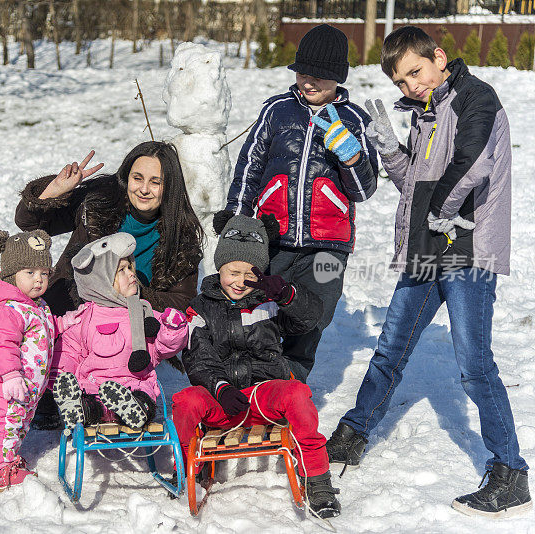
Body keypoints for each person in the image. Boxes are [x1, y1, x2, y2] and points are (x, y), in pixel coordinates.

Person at [327, 26, 530, 517]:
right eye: (400, 82)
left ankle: (511, 474)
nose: (410, 86)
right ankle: (353, 434)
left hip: (467, 249)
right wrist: (390, 149)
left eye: (415, 72)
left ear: (439, 57)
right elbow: (413, 182)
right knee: (390, 348)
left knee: (474, 365)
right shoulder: (427, 112)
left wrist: (441, 205)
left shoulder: (475, 98)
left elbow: (474, 162)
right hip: (426, 246)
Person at [222, 23, 378, 382]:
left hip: (328, 247)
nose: (309, 83)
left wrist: (352, 158)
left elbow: (362, 191)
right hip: (272, 237)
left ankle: (288, 389)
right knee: (259, 310)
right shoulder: (277, 111)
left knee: (315, 315)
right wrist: (237, 220)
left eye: (320, 77)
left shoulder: (355, 121)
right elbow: (250, 166)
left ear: (339, 78)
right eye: (303, 73)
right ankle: (255, 382)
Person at [16, 141, 203, 428]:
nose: (143, 189)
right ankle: (56, 393)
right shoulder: (100, 202)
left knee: (120, 357)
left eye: (156, 182)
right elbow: (29, 223)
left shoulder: (182, 235)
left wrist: (128, 296)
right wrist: (51, 194)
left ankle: (111, 400)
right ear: (126, 176)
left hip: (128, 322)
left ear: (170, 188)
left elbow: (180, 301)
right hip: (74, 303)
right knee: (57, 334)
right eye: (137, 178)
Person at [172, 213, 340, 518]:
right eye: (232, 272)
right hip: (221, 400)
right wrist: (219, 388)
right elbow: (197, 355)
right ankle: (185, 468)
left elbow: (311, 318)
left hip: (262, 395)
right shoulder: (200, 307)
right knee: (185, 402)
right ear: (219, 267)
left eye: (249, 273)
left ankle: (317, 476)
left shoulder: (268, 301)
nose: (240, 281)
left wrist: (288, 295)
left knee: (297, 394)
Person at [52, 233, 188, 431]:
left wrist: (173, 328)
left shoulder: (143, 312)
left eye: (130, 267)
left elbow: (163, 348)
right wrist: (62, 375)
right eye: (122, 271)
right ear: (100, 282)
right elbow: (68, 350)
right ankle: (81, 409)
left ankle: (134, 409)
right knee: (90, 402)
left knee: (143, 399)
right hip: (92, 387)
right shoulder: (84, 318)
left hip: (135, 385)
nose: (132, 273)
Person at [0, 228, 58, 491]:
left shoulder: (36, 304)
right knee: (4, 422)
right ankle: (1, 468)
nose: (39, 280)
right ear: (11, 275)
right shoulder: (6, 307)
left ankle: (9, 458)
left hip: (28, 387)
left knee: (18, 425)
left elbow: (46, 329)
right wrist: (10, 375)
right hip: (6, 383)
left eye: (44, 273)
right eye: (30, 273)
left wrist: (68, 323)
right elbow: (2, 343)